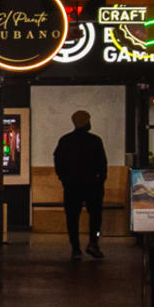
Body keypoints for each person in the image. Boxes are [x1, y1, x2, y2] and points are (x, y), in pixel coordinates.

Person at [53, 110, 109, 263]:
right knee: (95, 217)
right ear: (86, 122)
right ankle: (94, 242)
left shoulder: (65, 141)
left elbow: (58, 163)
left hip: (72, 186)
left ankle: (75, 248)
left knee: (72, 218)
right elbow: (102, 164)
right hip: (93, 186)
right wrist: (101, 180)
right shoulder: (95, 141)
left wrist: (64, 179)